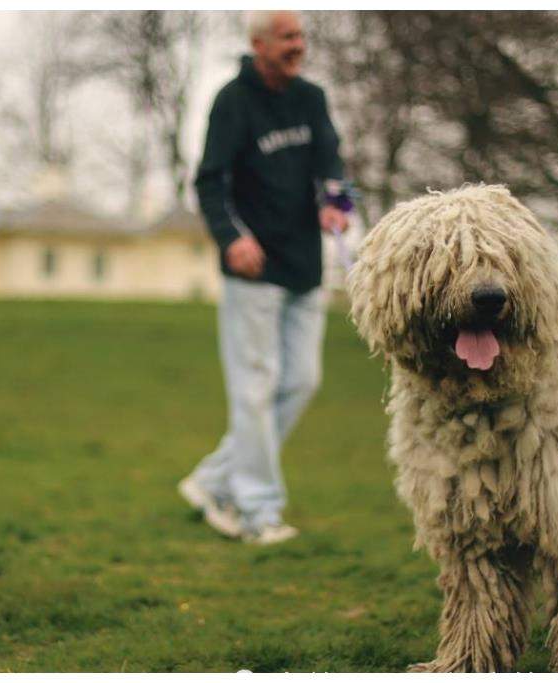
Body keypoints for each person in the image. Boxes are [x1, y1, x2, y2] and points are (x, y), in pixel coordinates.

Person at [179, 10, 351, 545]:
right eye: (286, 38)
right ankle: (256, 512)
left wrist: (335, 204)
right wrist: (233, 238)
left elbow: (332, 166)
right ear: (258, 44)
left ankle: (211, 479)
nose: (297, 45)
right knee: (255, 389)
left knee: (301, 381)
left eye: (301, 35)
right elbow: (209, 182)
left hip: (305, 267)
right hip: (252, 273)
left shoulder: (312, 98)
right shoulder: (233, 101)